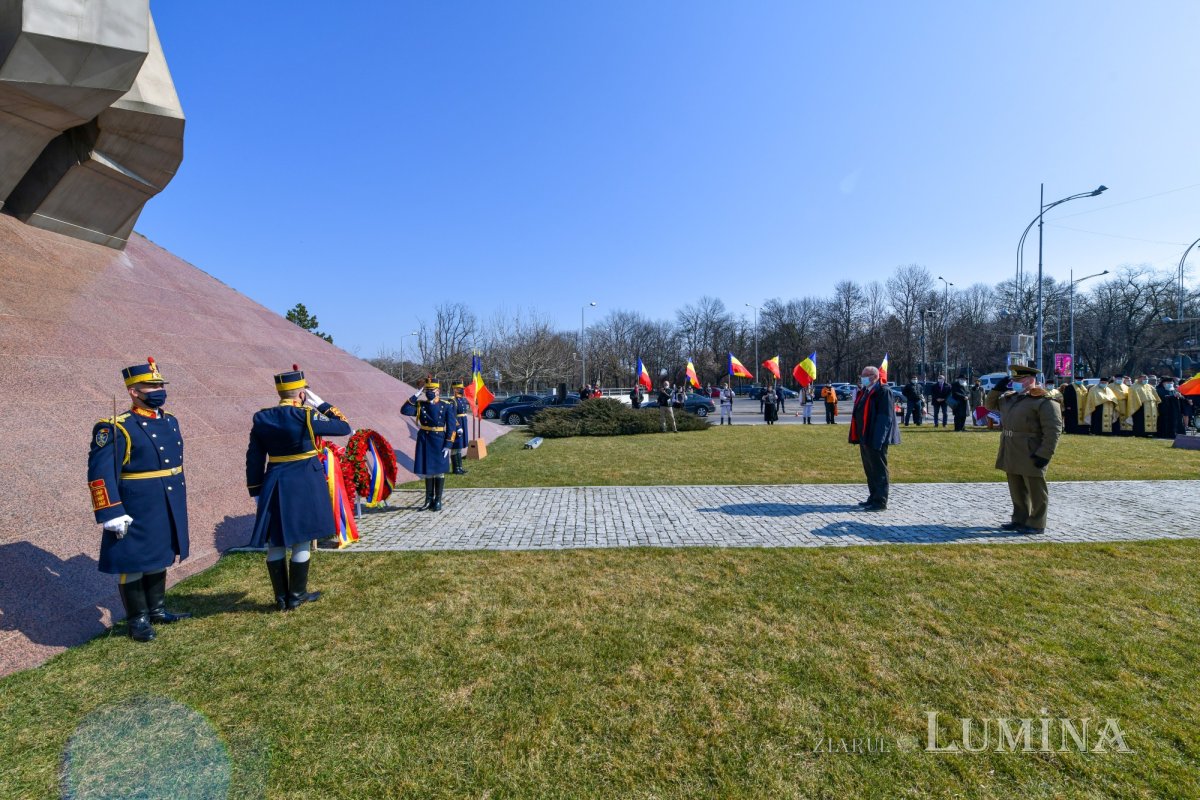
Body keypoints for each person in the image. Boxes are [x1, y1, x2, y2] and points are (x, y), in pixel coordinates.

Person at [88, 358, 191, 642]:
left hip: (164, 499)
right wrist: (111, 511)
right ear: (134, 391)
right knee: (132, 561)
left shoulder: (169, 420)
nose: (158, 390)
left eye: (160, 385)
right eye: (151, 385)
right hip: (135, 503)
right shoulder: (116, 427)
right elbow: (100, 474)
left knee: (159, 554)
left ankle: (157, 609)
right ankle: (138, 619)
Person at [247, 366, 351, 611]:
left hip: (274, 480)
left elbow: (254, 456)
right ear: (302, 394)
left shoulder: (262, 417)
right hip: (304, 479)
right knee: (302, 538)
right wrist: (321, 403)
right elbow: (343, 426)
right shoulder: (306, 415)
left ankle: (281, 598)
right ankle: (297, 595)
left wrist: (255, 489)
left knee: (276, 541)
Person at [985, 365, 1063, 535]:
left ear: (1030, 380)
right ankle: (1019, 519)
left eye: (1018, 380)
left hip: (1031, 449)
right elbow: (989, 405)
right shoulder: (1010, 398)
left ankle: (1037, 522)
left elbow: (1053, 430)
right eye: (1013, 380)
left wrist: (1045, 454)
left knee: (1035, 488)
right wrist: (997, 389)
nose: (1014, 383)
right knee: (1016, 487)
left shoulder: (1044, 401)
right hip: (1011, 447)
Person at [401, 379, 459, 510]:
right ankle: (428, 500)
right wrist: (417, 394)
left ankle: (437, 500)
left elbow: (451, 427)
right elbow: (404, 410)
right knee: (428, 472)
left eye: (431, 390)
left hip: (439, 440)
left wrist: (448, 444)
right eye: (426, 391)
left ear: (438, 391)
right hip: (425, 439)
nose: (429, 393)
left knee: (438, 472)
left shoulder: (446, 405)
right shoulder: (421, 405)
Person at [849, 365, 895, 511]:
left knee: (879, 469)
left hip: (876, 437)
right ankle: (873, 496)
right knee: (870, 469)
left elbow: (885, 417)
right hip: (865, 436)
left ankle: (880, 501)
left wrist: (878, 440)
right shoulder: (865, 391)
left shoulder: (883, 391)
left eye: (865, 375)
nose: (862, 378)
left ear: (874, 376)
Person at [450, 382, 471, 475]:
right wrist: (457, 426)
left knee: (460, 447)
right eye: (459, 388)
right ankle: (455, 468)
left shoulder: (462, 400)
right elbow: (452, 416)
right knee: (455, 447)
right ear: (455, 389)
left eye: (462, 388)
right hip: (457, 425)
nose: (462, 390)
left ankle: (460, 467)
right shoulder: (452, 400)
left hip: (463, 424)